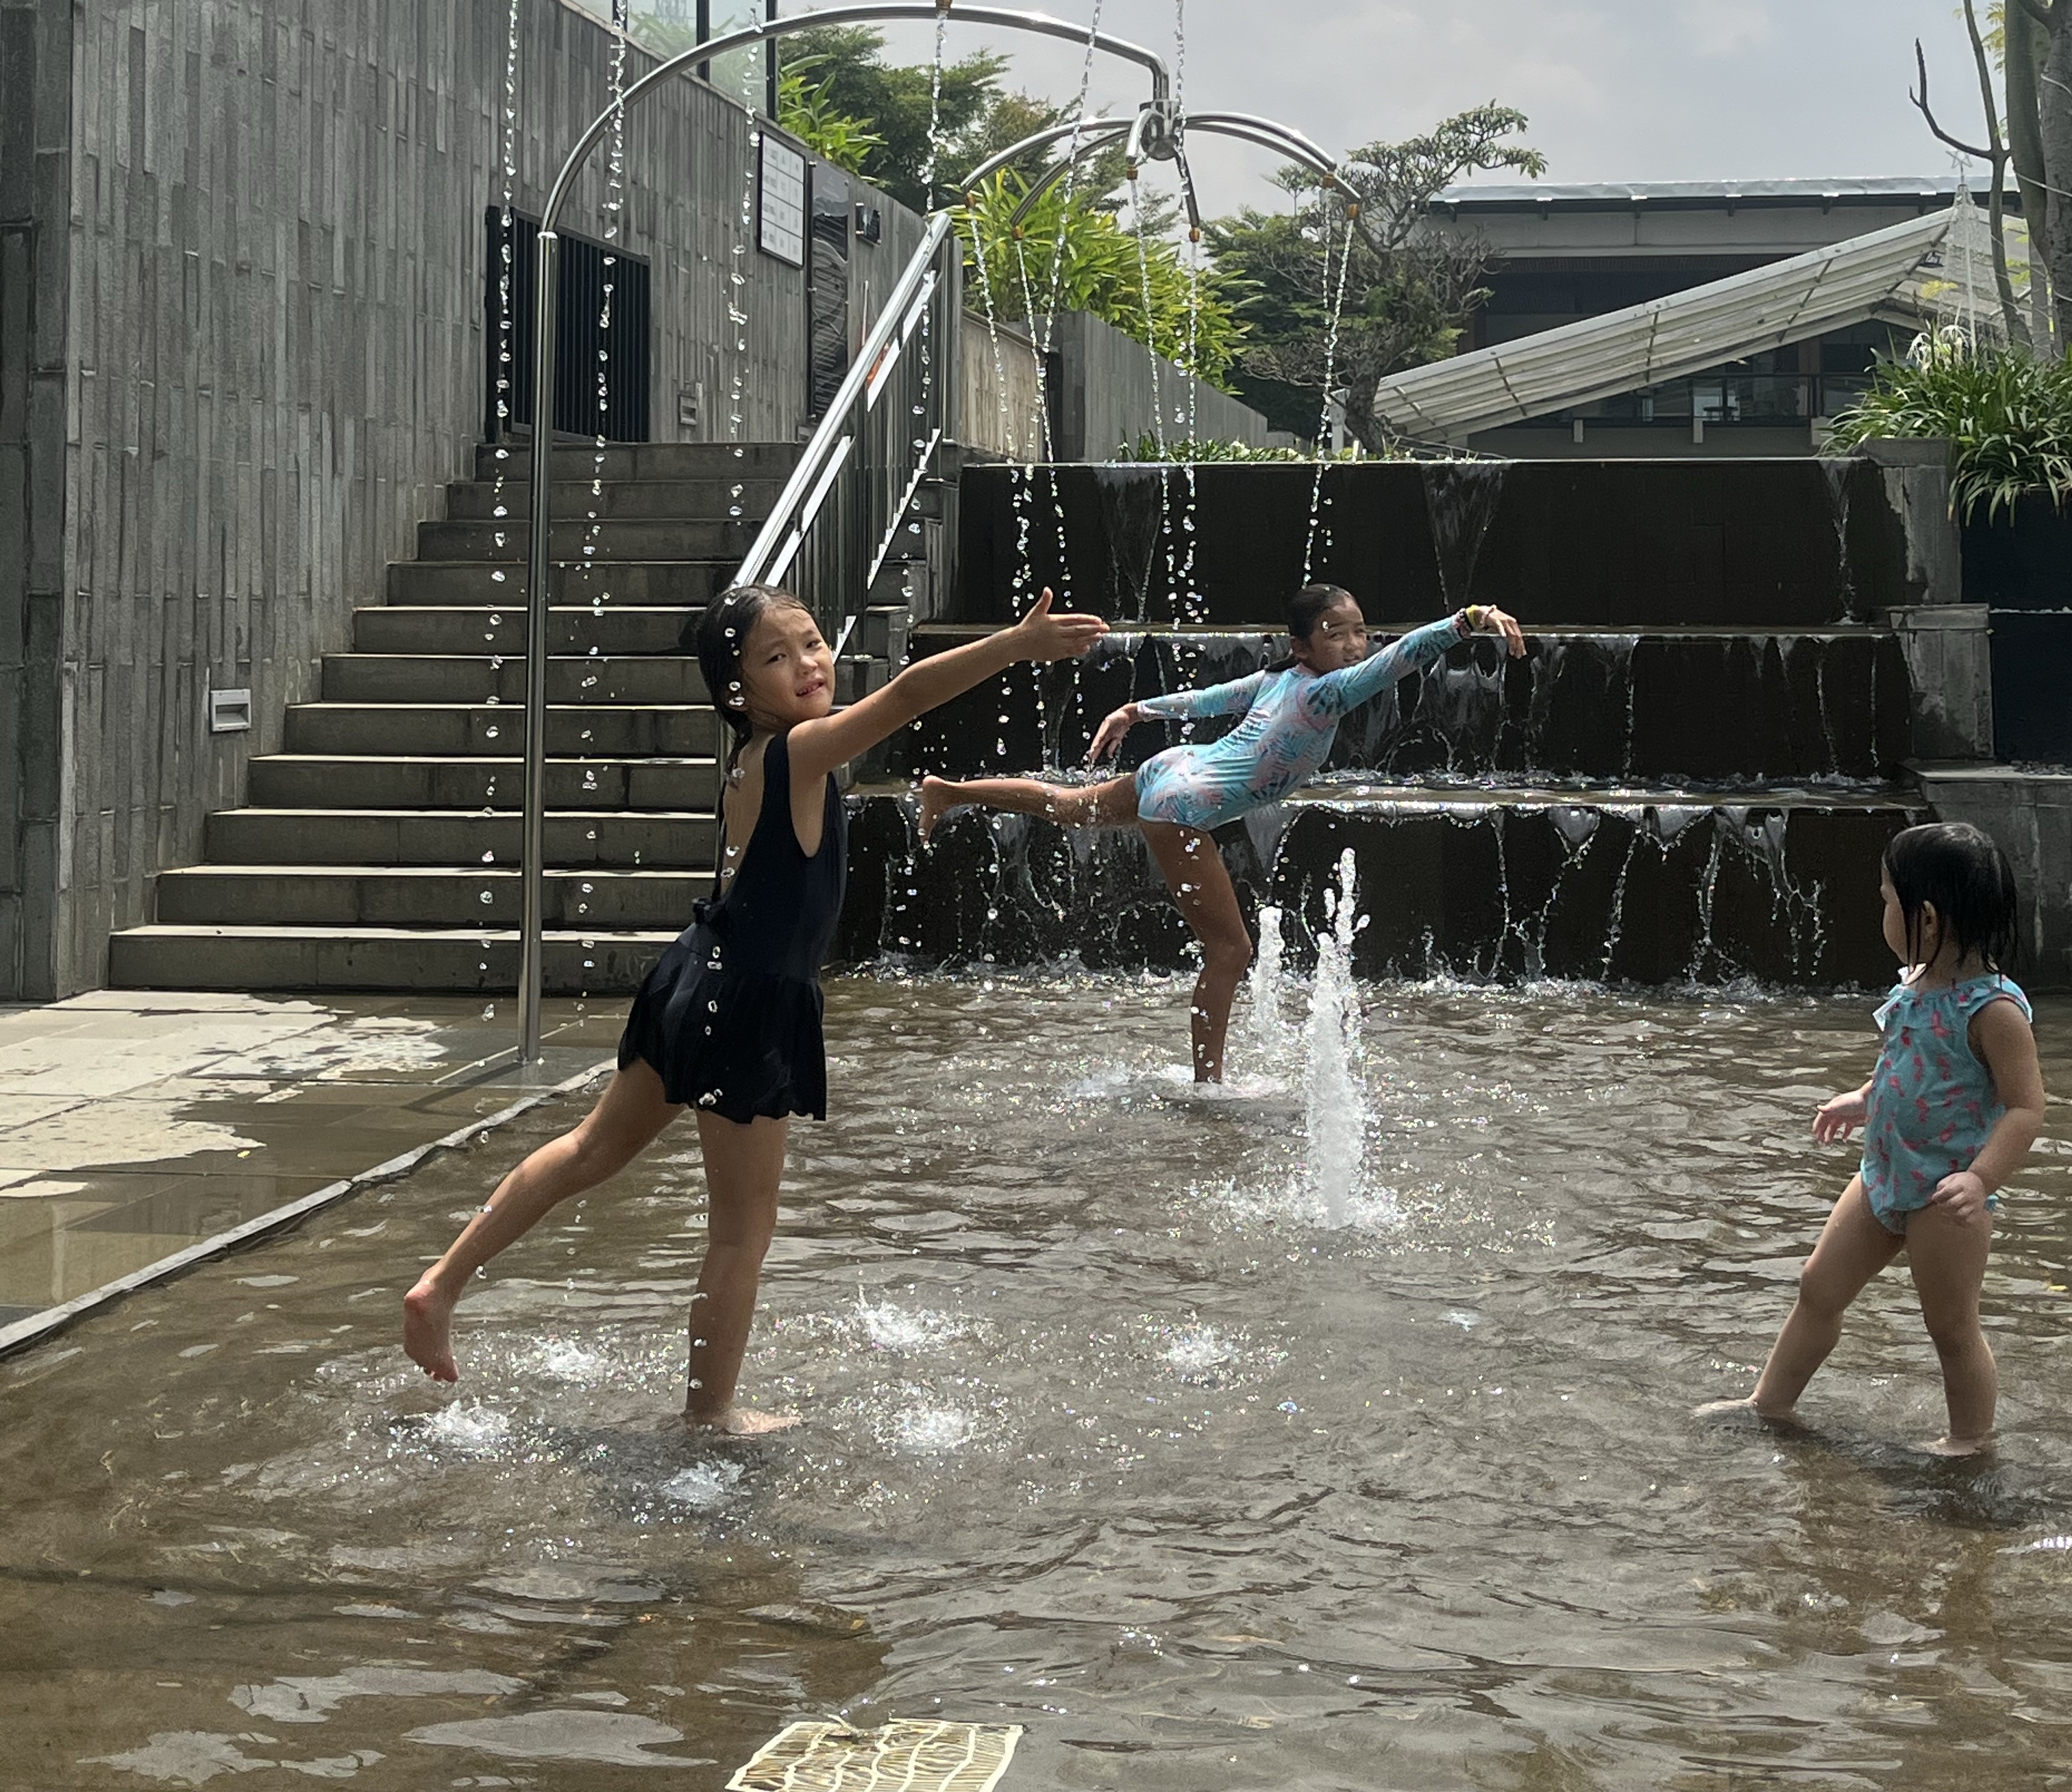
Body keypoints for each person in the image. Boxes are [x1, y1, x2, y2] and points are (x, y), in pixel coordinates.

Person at [403, 580, 1107, 1430]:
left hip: (697, 974)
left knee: (590, 1149)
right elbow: (907, 696)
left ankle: (441, 1284)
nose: (809, 665)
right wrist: (1013, 645)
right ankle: (711, 1416)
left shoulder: (756, 757)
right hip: (745, 1003)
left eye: (812, 643)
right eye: (777, 657)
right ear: (737, 689)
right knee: (741, 1230)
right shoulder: (797, 752)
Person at [917, 583, 1525, 1083]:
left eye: (1359, 632)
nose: (1352, 645)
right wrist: (1467, 620)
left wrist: (1135, 711)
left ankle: (949, 792)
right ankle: (1208, 1085)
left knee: (1072, 807)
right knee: (1232, 951)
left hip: (1173, 768)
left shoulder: (1278, 680)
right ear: (1303, 646)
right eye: (1334, 633)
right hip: (1182, 805)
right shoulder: (1326, 693)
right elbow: (1403, 658)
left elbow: (1207, 700)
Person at [1699, 820, 2045, 1456]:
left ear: (1928, 919)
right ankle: (1770, 1403)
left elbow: (2026, 1108)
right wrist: (1864, 1099)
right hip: (1883, 1172)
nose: (1882, 913)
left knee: (1951, 1329)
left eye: (1888, 900)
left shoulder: (1994, 1012)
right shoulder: (1914, 983)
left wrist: (1980, 1179)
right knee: (1818, 1288)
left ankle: (1970, 1441)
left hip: (1945, 1194)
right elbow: (1906, 1060)